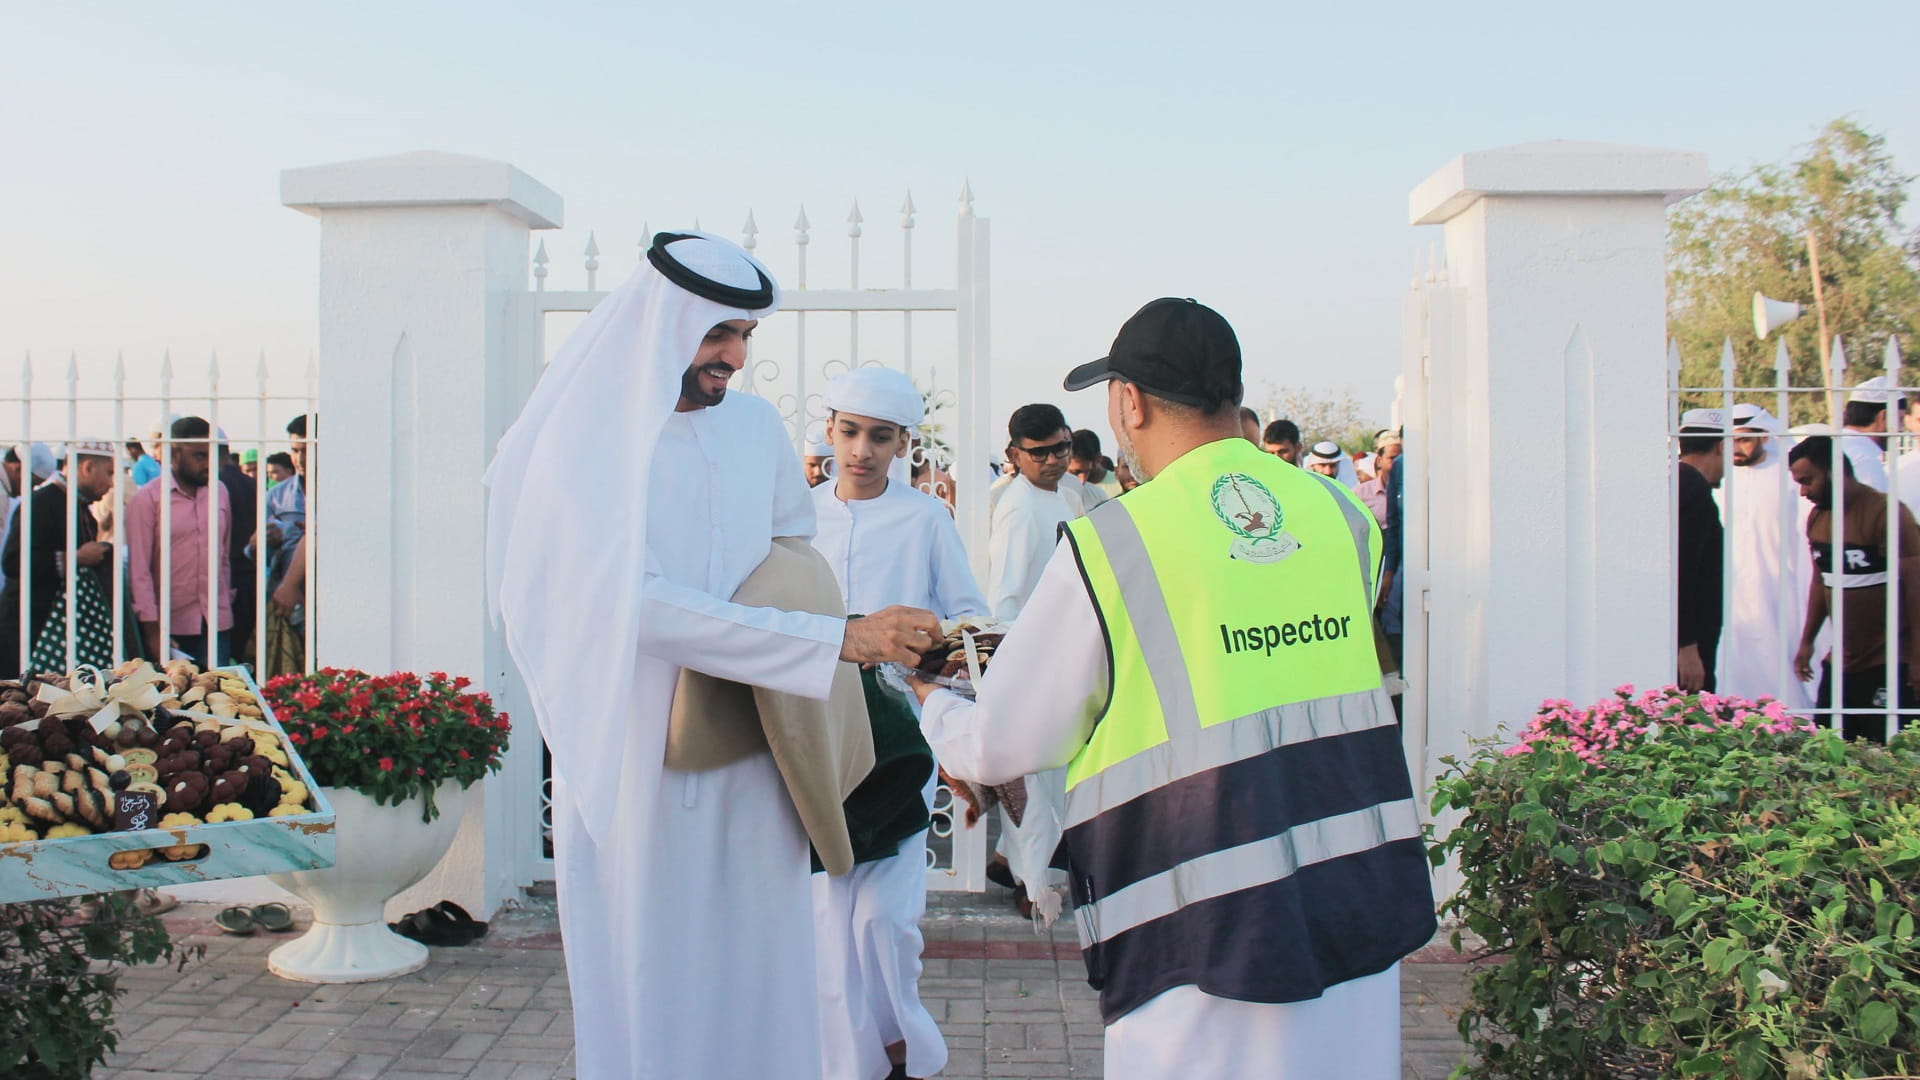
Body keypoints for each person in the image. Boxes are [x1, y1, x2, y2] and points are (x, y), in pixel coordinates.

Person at [911, 297, 1434, 1079]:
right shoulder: (1338, 513)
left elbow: (1000, 744)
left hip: (1199, 929)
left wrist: (933, 704)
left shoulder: (1117, 540)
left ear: (1130, 402)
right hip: (1353, 901)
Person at [484, 231, 940, 1079]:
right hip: (635, 754)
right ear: (661, 324)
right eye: (716, 333)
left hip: (753, 740)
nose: (733, 356)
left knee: (762, 960)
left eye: (745, 336)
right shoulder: (586, 441)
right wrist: (833, 640)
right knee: (653, 968)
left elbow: (790, 551)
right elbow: (631, 604)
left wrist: (817, 642)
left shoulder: (756, 426)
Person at [811, 366, 984, 1080]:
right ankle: (850, 1063)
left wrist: (938, 664)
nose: (862, 450)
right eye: (850, 432)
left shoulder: (925, 520)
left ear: (903, 443)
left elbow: (968, 617)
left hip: (903, 736)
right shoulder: (796, 520)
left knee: (884, 919)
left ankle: (904, 1048)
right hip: (815, 736)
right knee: (827, 921)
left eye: (879, 437)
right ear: (829, 431)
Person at [1789, 435, 1920, 744]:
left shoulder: (1886, 513)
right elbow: (1822, 580)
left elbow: (1916, 587)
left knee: (1888, 754)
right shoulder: (1819, 517)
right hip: (1843, 660)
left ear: (1834, 471)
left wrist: (1917, 658)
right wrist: (1807, 641)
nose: (1803, 492)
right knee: (1827, 748)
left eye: (1807, 481)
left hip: (1890, 660)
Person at [1716, 405, 1811, 707]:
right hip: (1730, 588)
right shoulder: (1721, 478)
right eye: (1730, 440)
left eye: (1744, 439)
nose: (1736, 447)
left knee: (1780, 655)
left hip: (1778, 586)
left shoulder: (1787, 476)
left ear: (1765, 437)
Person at [0, 443, 117, 676]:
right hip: (26, 629)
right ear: (88, 467)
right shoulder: (41, 503)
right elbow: (14, 561)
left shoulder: (82, 511)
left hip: (59, 634)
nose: (112, 483)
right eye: (109, 473)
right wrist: (75, 559)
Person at [126, 416, 233, 667]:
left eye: (212, 456)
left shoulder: (220, 492)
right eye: (199, 456)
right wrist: (152, 631)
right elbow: (139, 572)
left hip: (216, 621)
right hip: (170, 626)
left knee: (221, 689)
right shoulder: (147, 500)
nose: (208, 464)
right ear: (174, 454)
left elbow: (223, 555)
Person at [987, 404, 1077, 622]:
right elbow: (1003, 598)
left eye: (1060, 448)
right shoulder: (1020, 507)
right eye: (1039, 453)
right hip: (1034, 634)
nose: (1052, 460)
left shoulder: (1058, 495)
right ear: (1015, 455)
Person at [1675, 409, 1726, 694]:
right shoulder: (1693, 490)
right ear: (1721, 446)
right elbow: (1683, 570)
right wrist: (1687, 646)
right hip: (1690, 646)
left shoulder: (1680, 482)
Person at [259, 415, 310, 677]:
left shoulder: (341, 492)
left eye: (307, 450)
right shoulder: (277, 496)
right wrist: (261, 543)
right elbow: (259, 556)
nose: (300, 459)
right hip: (289, 603)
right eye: (295, 450)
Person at [1840, 376, 1902, 491]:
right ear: (1884, 417)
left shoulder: (1829, 443)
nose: (1901, 429)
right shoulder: (1865, 461)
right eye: (1900, 420)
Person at [1068, 429, 1116, 506]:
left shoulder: (1098, 496)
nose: (1082, 480)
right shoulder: (1048, 497)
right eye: (1075, 473)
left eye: (1087, 472)